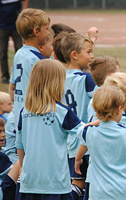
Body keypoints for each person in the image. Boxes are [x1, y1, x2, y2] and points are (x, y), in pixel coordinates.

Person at [16, 59, 82, 199]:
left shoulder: (24, 112)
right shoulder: (61, 111)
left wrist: (23, 168)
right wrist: (100, 122)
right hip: (55, 184)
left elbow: (20, 145)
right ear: (57, 83)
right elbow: (83, 132)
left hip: (29, 182)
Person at [60, 32, 96, 197]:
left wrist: (90, 41)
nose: (92, 56)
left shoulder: (59, 78)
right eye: (88, 52)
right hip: (84, 141)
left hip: (67, 142)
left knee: (74, 181)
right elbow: (104, 99)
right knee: (82, 184)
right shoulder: (86, 79)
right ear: (74, 55)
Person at [9, 8, 50, 132]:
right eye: (46, 29)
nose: (48, 33)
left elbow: (12, 86)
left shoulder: (19, 54)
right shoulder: (39, 60)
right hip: (33, 118)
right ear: (36, 31)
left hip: (19, 115)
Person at [0, 0, 29, 83]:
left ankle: (21, 75)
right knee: (2, 53)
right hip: (2, 26)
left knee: (20, 51)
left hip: (16, 26)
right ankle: (5, 76)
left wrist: (24, 12)